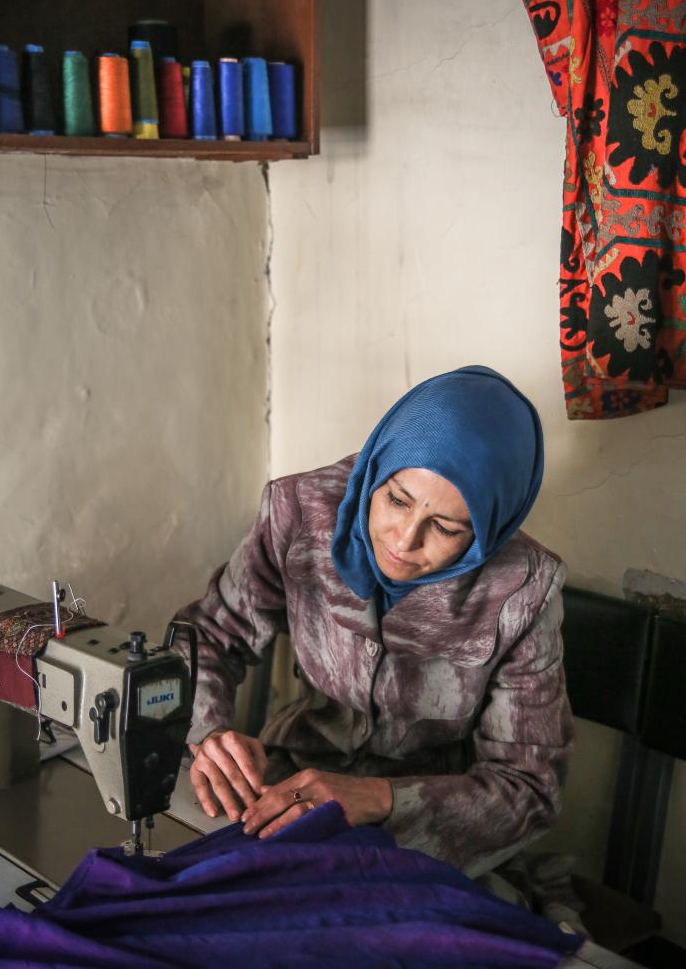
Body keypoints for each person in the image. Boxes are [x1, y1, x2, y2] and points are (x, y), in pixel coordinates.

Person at [173, 366, 573, 878]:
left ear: (489, 530)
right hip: (285, 782)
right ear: (375, 469)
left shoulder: (523, 590)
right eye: (395, 500)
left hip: (426, 828)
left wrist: (381, 799)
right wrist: (209, 732)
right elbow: (206, 636)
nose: (404, 541)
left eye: (447, 528)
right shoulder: (301, 513)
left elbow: (531, 788)